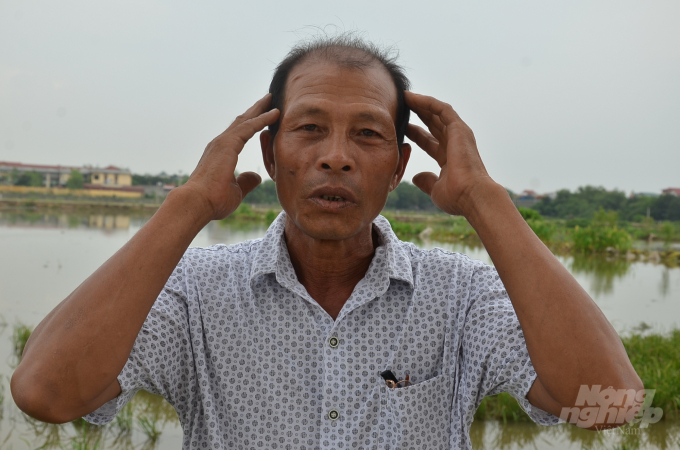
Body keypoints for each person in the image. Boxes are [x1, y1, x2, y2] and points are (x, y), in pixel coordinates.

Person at [11, 35, 642, 449]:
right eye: (309, 128)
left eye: (367, 135)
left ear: (398, 167)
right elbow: (47, 395)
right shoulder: (194, 293)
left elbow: (608, 401)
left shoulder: (461, 296)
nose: (335, 158)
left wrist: (486, 201)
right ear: (269, 151)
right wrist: (188, 206)